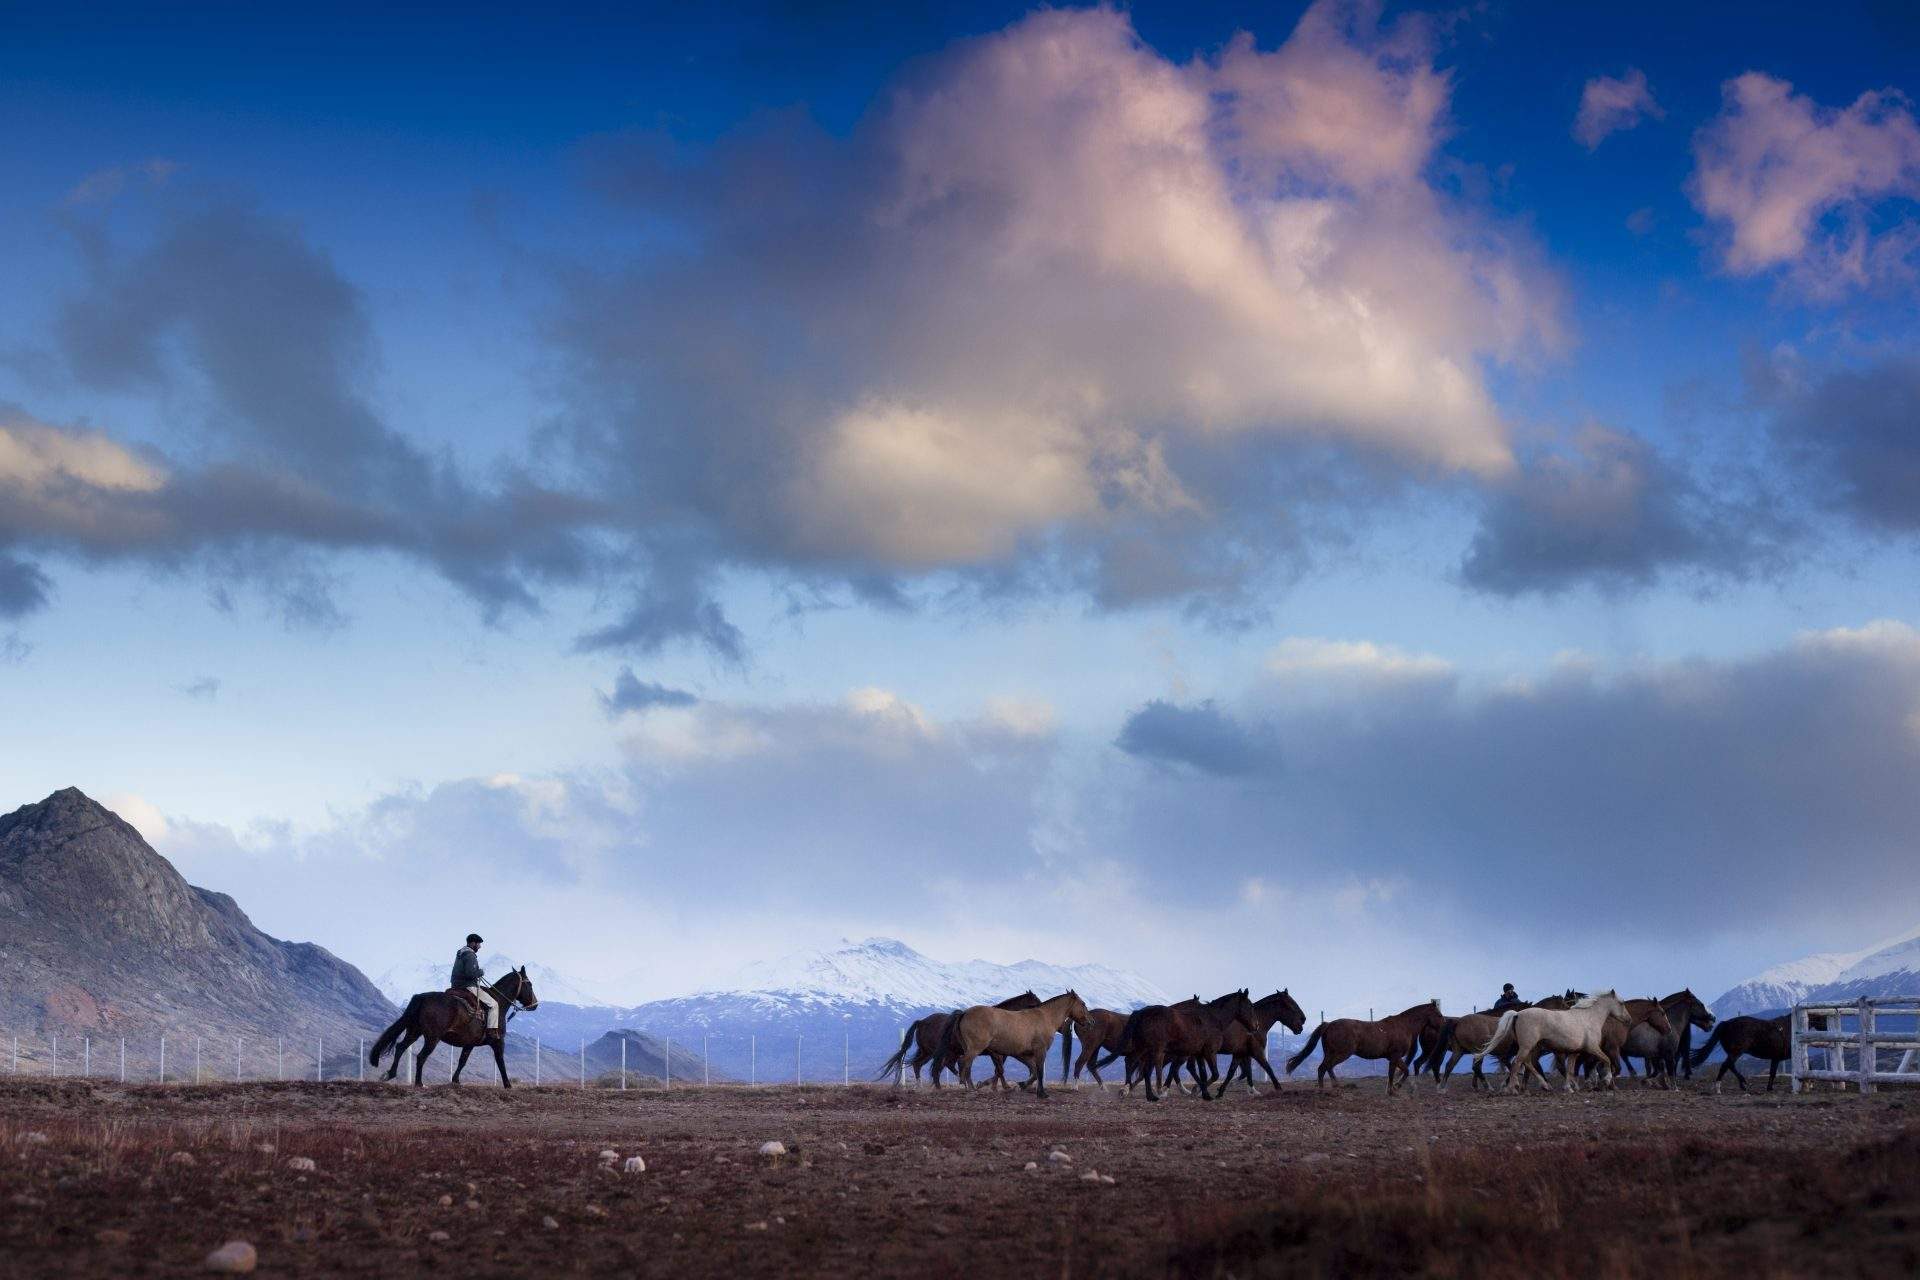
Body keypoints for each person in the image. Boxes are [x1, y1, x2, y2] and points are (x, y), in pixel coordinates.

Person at [452, 933, 499, 1032]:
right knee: (494, 1005)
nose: (480, 947)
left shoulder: (460, 954)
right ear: (473, 943)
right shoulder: (470, 955)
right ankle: (492, 1031)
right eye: (479, 944)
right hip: (468, 986)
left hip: (455, 985)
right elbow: (471, 974)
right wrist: (480, 972)